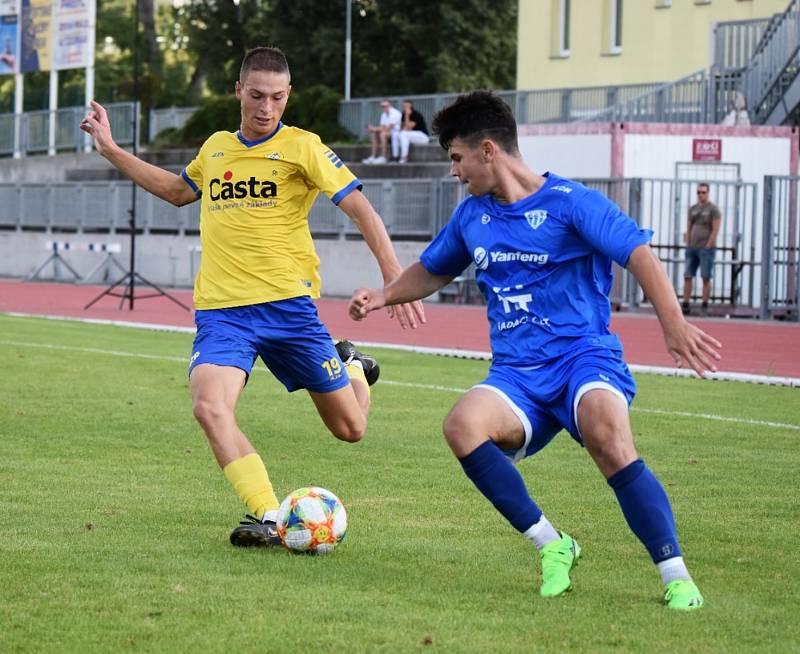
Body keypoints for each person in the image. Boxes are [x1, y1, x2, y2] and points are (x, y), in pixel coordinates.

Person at [349, 91, 721, 610]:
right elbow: (434, 269)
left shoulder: (572, 203)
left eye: (456, 158)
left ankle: (675, 575)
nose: (454, 172)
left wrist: (674, 325)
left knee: (606, 435)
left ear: (487, 150)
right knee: (461, 426)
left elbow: (637, 252)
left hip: (583, 357)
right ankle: (554, 545)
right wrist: (384, 293)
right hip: (517, 374)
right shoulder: (472, 216)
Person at [80, 46, 425, 548]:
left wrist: (394, 279)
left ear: (288, 97)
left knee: (351, 429)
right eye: (257, 95)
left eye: (278, 97)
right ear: (238, 91)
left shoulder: (304, 147)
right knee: (209, 408)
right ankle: (268, 514)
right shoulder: (217, 147)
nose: (266, 107)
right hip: (223, 312)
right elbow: (178, 191)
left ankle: (349, 364)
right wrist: (112, 150)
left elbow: (364, 212)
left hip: (289, 310)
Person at [682, 183, 721, 316]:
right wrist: (688, 240)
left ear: (708, 193)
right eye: (698, 192)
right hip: (692, 247)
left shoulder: (713, 209)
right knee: (687, 275)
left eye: (703, 192)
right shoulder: (693, 209)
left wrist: (709, 244)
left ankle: (704, 305)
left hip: (706, 248)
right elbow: (689, 225)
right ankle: (685, 304)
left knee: (705, 277)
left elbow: (715, 228)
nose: (701, 195)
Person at [362, 99, 401, 164]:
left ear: (389, 105)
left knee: (382, 134)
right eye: (382, 106)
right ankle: (373, 156)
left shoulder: (395, 113)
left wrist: (373, 128)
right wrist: (374, 129)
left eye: (385, 106)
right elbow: (382, 127)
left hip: (396, 133)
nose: (383, 107)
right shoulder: (384, 114)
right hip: (388, 132)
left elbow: (388, 128)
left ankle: (383, 157)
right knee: (374, 134)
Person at [397, 100, 429, 164]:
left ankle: (404, 157)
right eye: (404, 106)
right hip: (412, 137)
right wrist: (406, 115)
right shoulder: (403, 114)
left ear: (411, 105)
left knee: (403, 134)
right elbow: (402, 129)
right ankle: (397, 156)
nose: (405, 107)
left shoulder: (416, 114)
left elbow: (408, 127)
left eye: (407, 106)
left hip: (423, 137)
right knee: (400, 134)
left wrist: (407, 115)